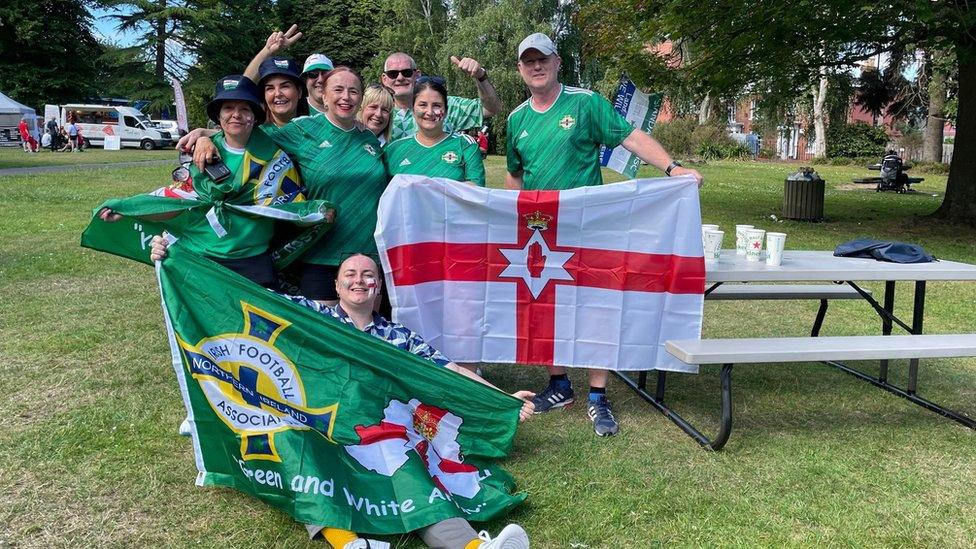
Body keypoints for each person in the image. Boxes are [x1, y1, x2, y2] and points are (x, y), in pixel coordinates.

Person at [150, 242, 534, 549]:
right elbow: (241, 297)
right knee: (301, 451)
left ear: (378, 288)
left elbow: (447, 372)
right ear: (336, 285)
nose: (359, 281)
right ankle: (346, 543)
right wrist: (176, 257)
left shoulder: (397, 337)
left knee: (409, 472)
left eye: (369, 275)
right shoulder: (311, 316)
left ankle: (470, 547)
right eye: (350, 274)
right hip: (319, 424)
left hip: (379, 428)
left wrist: (505, 398)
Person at [505, 33, 704, 437]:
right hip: (543, 233)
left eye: (542, 58)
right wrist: (511, 215)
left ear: (557, 61)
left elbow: (629, 136)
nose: (536, 66)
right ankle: (559, 386)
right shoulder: (516, 119)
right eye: (528, 61)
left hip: (590, 229)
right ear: (520, 69)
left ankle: (598, 394)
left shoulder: (585, 103)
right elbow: (514, 174)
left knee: (596, 306)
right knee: (548, 307)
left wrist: (672, 169)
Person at [183, 67, 388, 306]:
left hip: (367, 256)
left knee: (369, 333)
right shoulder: (302, 130)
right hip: (320, 254)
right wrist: (204, 135)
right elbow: (243, 129)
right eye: (338, 90)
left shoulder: (369, 138)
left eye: (354, 91)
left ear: (361, 98)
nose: (346, 97)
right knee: (323, 335)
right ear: (323, 95)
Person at [103, 75, 292, 287]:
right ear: (219, 116)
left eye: (245, 109)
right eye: (228, 108)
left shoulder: (275, 157)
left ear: (255, 116)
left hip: (253, 261)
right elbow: (180, 200)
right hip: (202, 257)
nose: (236, 115)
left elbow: (292, 205)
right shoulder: (201, 153)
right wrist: (127, 209)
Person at [385, 77, 486, 187]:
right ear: (413, 110)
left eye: (436, 105)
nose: (430, 112)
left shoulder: (465, 145)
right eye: (423, 105)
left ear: (446, 111)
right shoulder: (393, 149)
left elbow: (477, 189)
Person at [382, 52, 501, 141]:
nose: (400, 78)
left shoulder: (446, 106)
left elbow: (491, 109)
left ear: (417, 75)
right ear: (384, 79)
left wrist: (480, 76)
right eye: (393, 74)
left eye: (406, 72)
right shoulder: (378, 114)